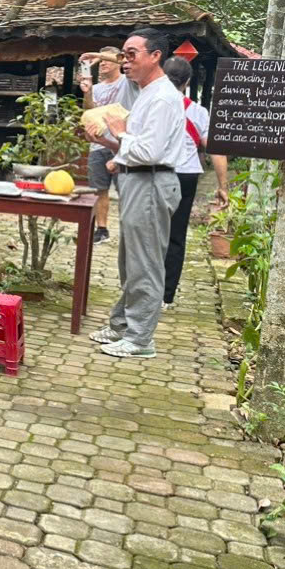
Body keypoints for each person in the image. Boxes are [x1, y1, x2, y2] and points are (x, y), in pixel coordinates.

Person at [86, 29, 184, 359]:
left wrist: (120, 132)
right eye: (123, 55)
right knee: (130, 263)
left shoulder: (161, 96)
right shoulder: (145, 93)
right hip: (137, 181)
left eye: (131, 54)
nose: (125, 61)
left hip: (152, 183)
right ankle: (122, 326)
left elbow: (150, 151)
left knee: (145, 265)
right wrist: (107, 142)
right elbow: (135, 146)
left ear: (155, 56)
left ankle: (141, 339)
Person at [161, 56, 228, 308]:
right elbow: (215, 150)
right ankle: (166, 296)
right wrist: (223, 186)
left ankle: (144, 288)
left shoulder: (151, 104)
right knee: (176, 236)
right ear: (187, 81)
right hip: (186, 175)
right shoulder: (198, 112)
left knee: (151, 233)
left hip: (158, 172)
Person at [77, 46, 139, 244]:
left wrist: (95, 55)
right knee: (99, 189)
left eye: (106, 60)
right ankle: (101, 229)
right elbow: (90, 109)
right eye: (101, 61)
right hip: (98, 143)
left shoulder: (127, 82)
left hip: (121, 143)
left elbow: (125, 60)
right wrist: (87, 92)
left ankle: (128, 230)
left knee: (126, 189)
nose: (102, 63)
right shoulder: (99, 86)